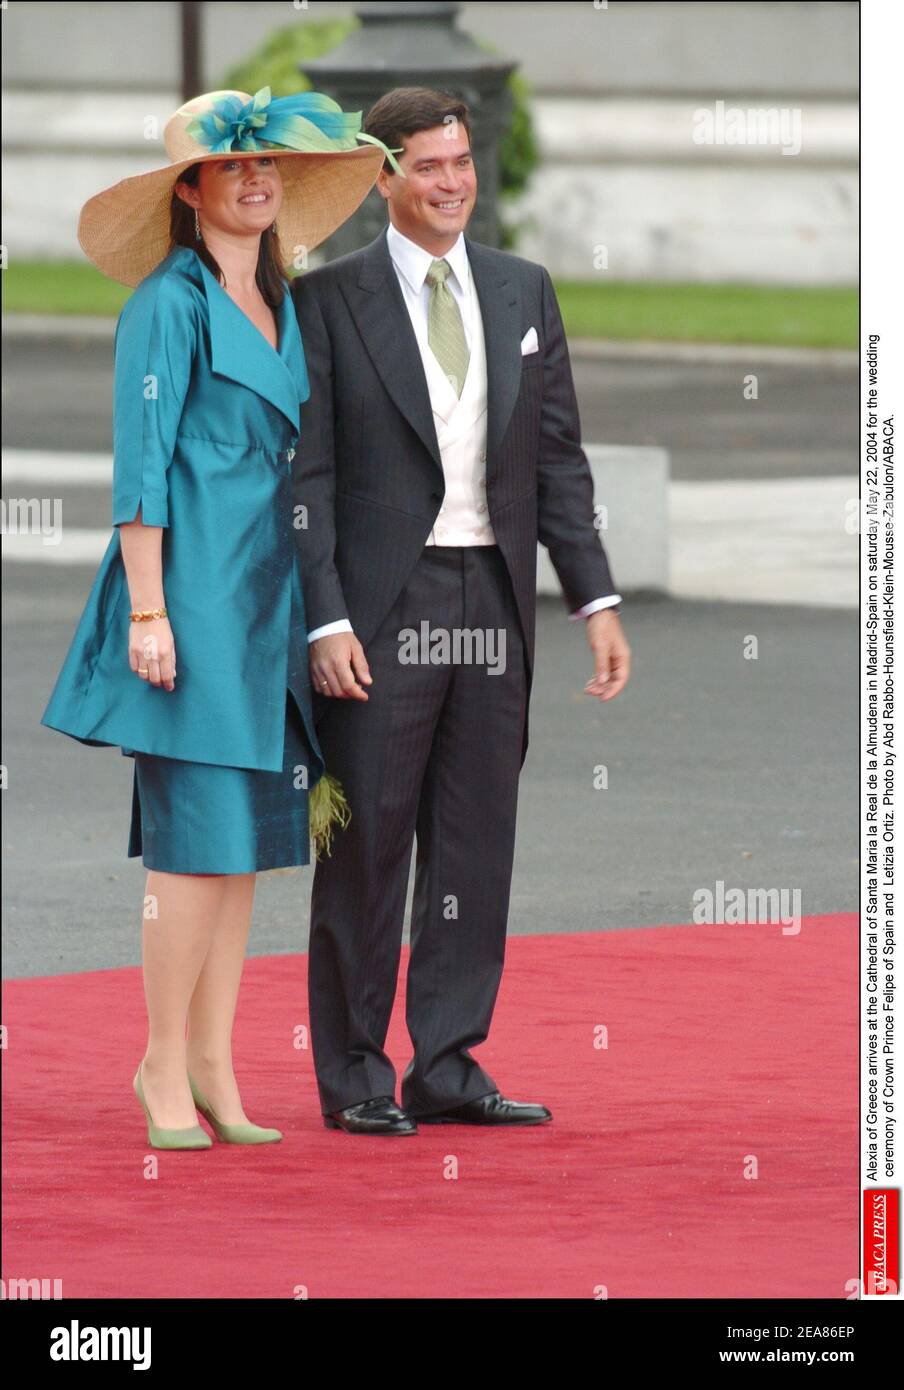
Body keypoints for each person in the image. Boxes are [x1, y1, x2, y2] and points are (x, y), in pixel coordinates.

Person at [40, 87, 398, 1150]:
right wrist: (148, 611)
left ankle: (212, 1061)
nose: (255, 180)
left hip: (268, 597)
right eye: (234, 168)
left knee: (244, 844)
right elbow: (140, 469)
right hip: (188, 595)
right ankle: (158, 1059)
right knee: (192, 845)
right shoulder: (169, 300)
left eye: (269, 168)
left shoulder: (284, 302)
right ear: (191, 189)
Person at [292, 86, 632, 1136]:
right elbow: (304, 475)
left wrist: (596, 595)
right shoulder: (328, 298)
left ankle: (445, 1060)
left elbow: (558, 457)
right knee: (368, 847)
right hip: (380, 609)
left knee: (475, 839)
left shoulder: (523, 289)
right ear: (381, 175)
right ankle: (354, 1071)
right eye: (428, 166)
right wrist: (327, 617)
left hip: (492, 594)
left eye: (461, 162)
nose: (451, 183)